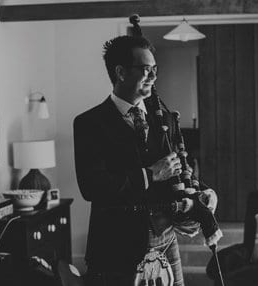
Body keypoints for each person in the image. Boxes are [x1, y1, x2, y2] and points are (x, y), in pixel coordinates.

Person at [72, 33, 218, 285]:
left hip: (164, 238)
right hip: (115, 243)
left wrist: (204, 192)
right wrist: (150, 175)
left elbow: (179, 170)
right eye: (146, 69)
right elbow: (92, 186)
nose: (153, 76)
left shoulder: (166, 119)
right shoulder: (89, 124)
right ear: (121, 72)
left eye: (155, 69)